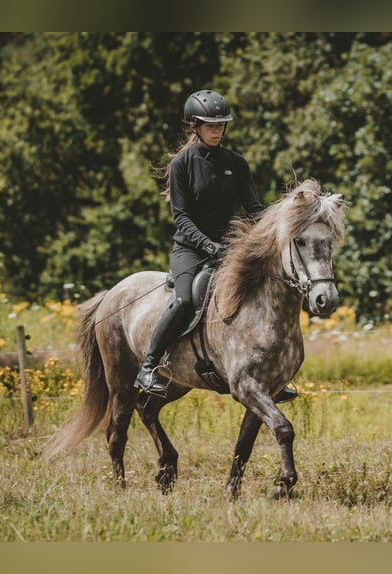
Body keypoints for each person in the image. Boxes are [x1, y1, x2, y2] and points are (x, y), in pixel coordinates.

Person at [135, 89, 297, 403]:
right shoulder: (182, 164)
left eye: (221, 124)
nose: (217, 130)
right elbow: (180, 217)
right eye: (211, 125)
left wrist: (272, 234)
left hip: (229, 250)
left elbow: (254, 208)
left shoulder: (235, 162)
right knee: (185, 299)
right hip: (190, 250)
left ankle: (272, 375)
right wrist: (207, 245)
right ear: (194, 125)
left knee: (263, 294)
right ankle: (150, 365)